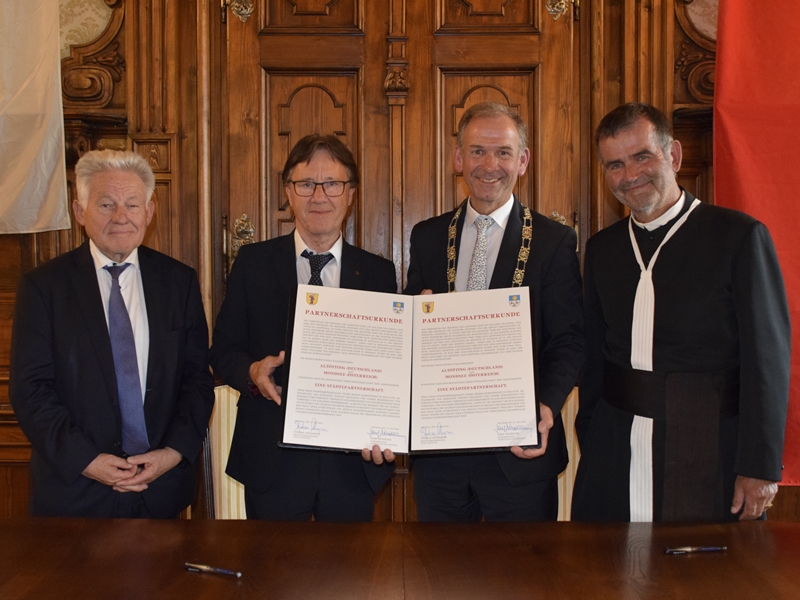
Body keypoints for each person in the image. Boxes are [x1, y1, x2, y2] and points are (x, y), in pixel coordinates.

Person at [572, 102, 791, 522]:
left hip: (711, 445)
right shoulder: (603, 250)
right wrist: (594, 434)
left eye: (642, 157)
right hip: (616, 448)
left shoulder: (739, 237)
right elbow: (594, 357)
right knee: (607, 574)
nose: (630, 175)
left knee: (701, 581)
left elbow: (768, 361)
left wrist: (759, 467)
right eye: (615, 164)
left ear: (672, 155)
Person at [10, 150, 215, 518]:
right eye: (106, 204)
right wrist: (88, 461)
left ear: (149, 213)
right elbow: (31, 390)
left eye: (132, 205)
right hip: (75, 493)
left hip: (160, 492)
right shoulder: (44, 287)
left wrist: (170, 455)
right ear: (79, 211)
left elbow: (197, 380)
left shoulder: (178, 282)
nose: (121, 217)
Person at [404, 102, 584, 521]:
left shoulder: (554, 241)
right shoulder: (427, 236)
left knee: (521, 581)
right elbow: (412, 333)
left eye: (503, 152)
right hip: (440, 454)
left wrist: (547, 404)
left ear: (522, 161)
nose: (490, 165)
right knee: (441, 579)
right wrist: (414, 320)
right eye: (478, 151)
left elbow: (569, 339)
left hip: (518, 453)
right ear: (458, 159)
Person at [210, 134, 398, 521]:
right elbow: (222, 351)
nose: (319, 196)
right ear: (288, 193)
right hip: (272, 458)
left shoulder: (379, 273)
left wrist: (391, 428)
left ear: (351, 194)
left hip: (353, 462)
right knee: (272, 576)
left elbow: (392, 370)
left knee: (349, 578)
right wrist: (251, 371)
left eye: (332, 184)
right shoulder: (253, 263)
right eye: (305, 184)